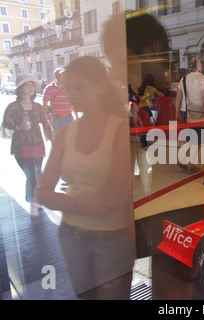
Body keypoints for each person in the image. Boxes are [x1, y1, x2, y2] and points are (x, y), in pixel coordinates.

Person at [35, 56, 135, 300]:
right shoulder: (65, 135)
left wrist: (65, 201)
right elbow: (41, 192)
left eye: (79, 87)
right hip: (71, 236)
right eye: (67, 87)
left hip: (113, 240)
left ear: (100, 86)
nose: (71, 94)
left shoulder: (121, 130)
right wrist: (78, 203)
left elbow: (110, 202)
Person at [1, 75, 53, 217]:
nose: (31, 87)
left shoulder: (38, 106)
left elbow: (45, 122)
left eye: (32, 85)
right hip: (21, 145)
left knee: (37, 173)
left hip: (37, 144)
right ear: (20, 89)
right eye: (27, 85)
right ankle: (33, 200)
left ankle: (33, 199)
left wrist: (53, 138)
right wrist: (17, 126)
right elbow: (5, 124)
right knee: (30, 174)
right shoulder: (13, 107)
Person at [175, 56, 204, 174]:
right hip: (200, 112)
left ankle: (182, 158)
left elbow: (178, 96)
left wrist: (177, 112)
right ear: (200, 65)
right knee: (198, 141)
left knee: (189, 138)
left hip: (187, 112)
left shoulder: (184, 78)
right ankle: (191, 165)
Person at [43, 67, 77, 135]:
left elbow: (72, 103)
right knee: (58, 140)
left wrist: (77, 117)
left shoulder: (69, 87)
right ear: (56, 76)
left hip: (69, 118)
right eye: (62, 75)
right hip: (56, 120)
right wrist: (48, 114)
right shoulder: (49, 88)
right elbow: (44, 103)